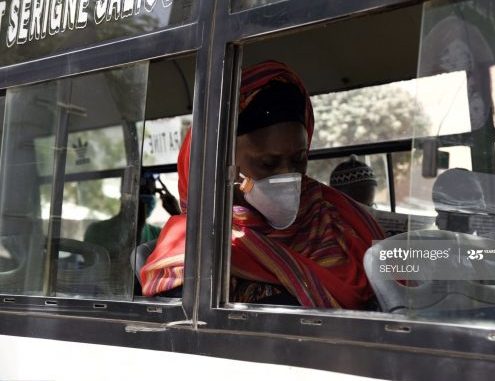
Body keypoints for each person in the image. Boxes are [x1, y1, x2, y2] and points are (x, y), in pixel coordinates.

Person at [140, 61, 384, 309]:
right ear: (221, 163)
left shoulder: (334, 215)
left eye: (299, 160)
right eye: (268, 163)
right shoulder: (193, 244)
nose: (288, 176)